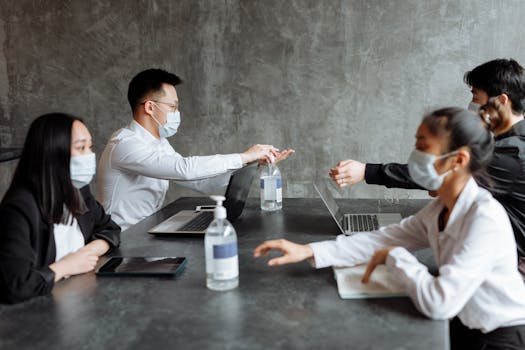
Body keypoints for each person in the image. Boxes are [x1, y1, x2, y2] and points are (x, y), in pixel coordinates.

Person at [255, 108, 525, 349]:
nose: (415, 154)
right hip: (468, 325)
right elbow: (384, 238)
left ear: (457, 159)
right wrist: (307, 250)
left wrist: (395, 257)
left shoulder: (484, 218)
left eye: (423, 145)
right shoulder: (440, 207)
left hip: (502, 335)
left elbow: (440, 302)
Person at [329, 58, 525, 275]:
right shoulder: (505, 143)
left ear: (502, 101)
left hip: (511, 267)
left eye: (475, 96)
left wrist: (366, 171)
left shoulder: (511, 155)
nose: (472, 104)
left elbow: (437, 172)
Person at [97, 68, 294, 230]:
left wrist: (251, 163)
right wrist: (243, 156)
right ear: (149, 107)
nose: (177, 113)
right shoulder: (125, 144)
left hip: (146, 232)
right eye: (172, 107)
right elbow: (185, 169)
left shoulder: (158, 143)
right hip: (122, 239)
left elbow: (201, 182)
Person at [0, 113, 120, 304]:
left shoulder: (79, 190)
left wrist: (90, 251)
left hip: (77, 299)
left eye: (90, 147)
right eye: (80, 147)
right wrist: (66, 266)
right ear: (52, 154)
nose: (89, 156)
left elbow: (110, 228)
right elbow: (16, 285)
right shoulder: (19, 209)